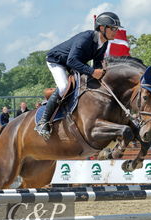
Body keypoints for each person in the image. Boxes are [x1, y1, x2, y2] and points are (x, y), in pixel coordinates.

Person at [35, 12, 122, 140]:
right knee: (64, 86)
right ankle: (43, 122)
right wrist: (92, 72)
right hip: (57, 61)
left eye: (117, 28)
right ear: (102, 28)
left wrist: (101, 73)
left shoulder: (104, 43)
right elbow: (71, 61)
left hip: (74, 62)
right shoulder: (86, 38)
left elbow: (97, 62)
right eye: (113, 28)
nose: (116, 31)